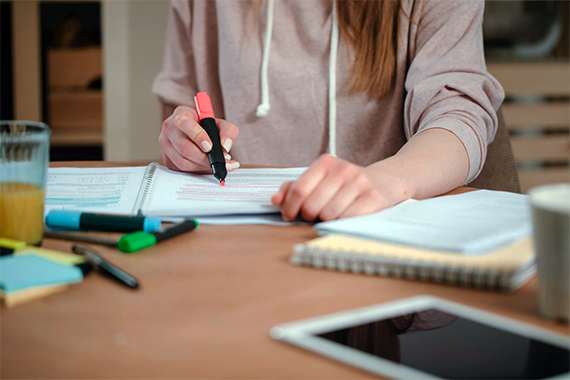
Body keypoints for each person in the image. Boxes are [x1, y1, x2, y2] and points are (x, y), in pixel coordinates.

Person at [153, 0, 504, 222]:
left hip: (367, 237)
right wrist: (184, 142)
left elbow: (459, 112)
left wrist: (387, 181)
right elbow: (182, 104)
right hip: (240, 243)